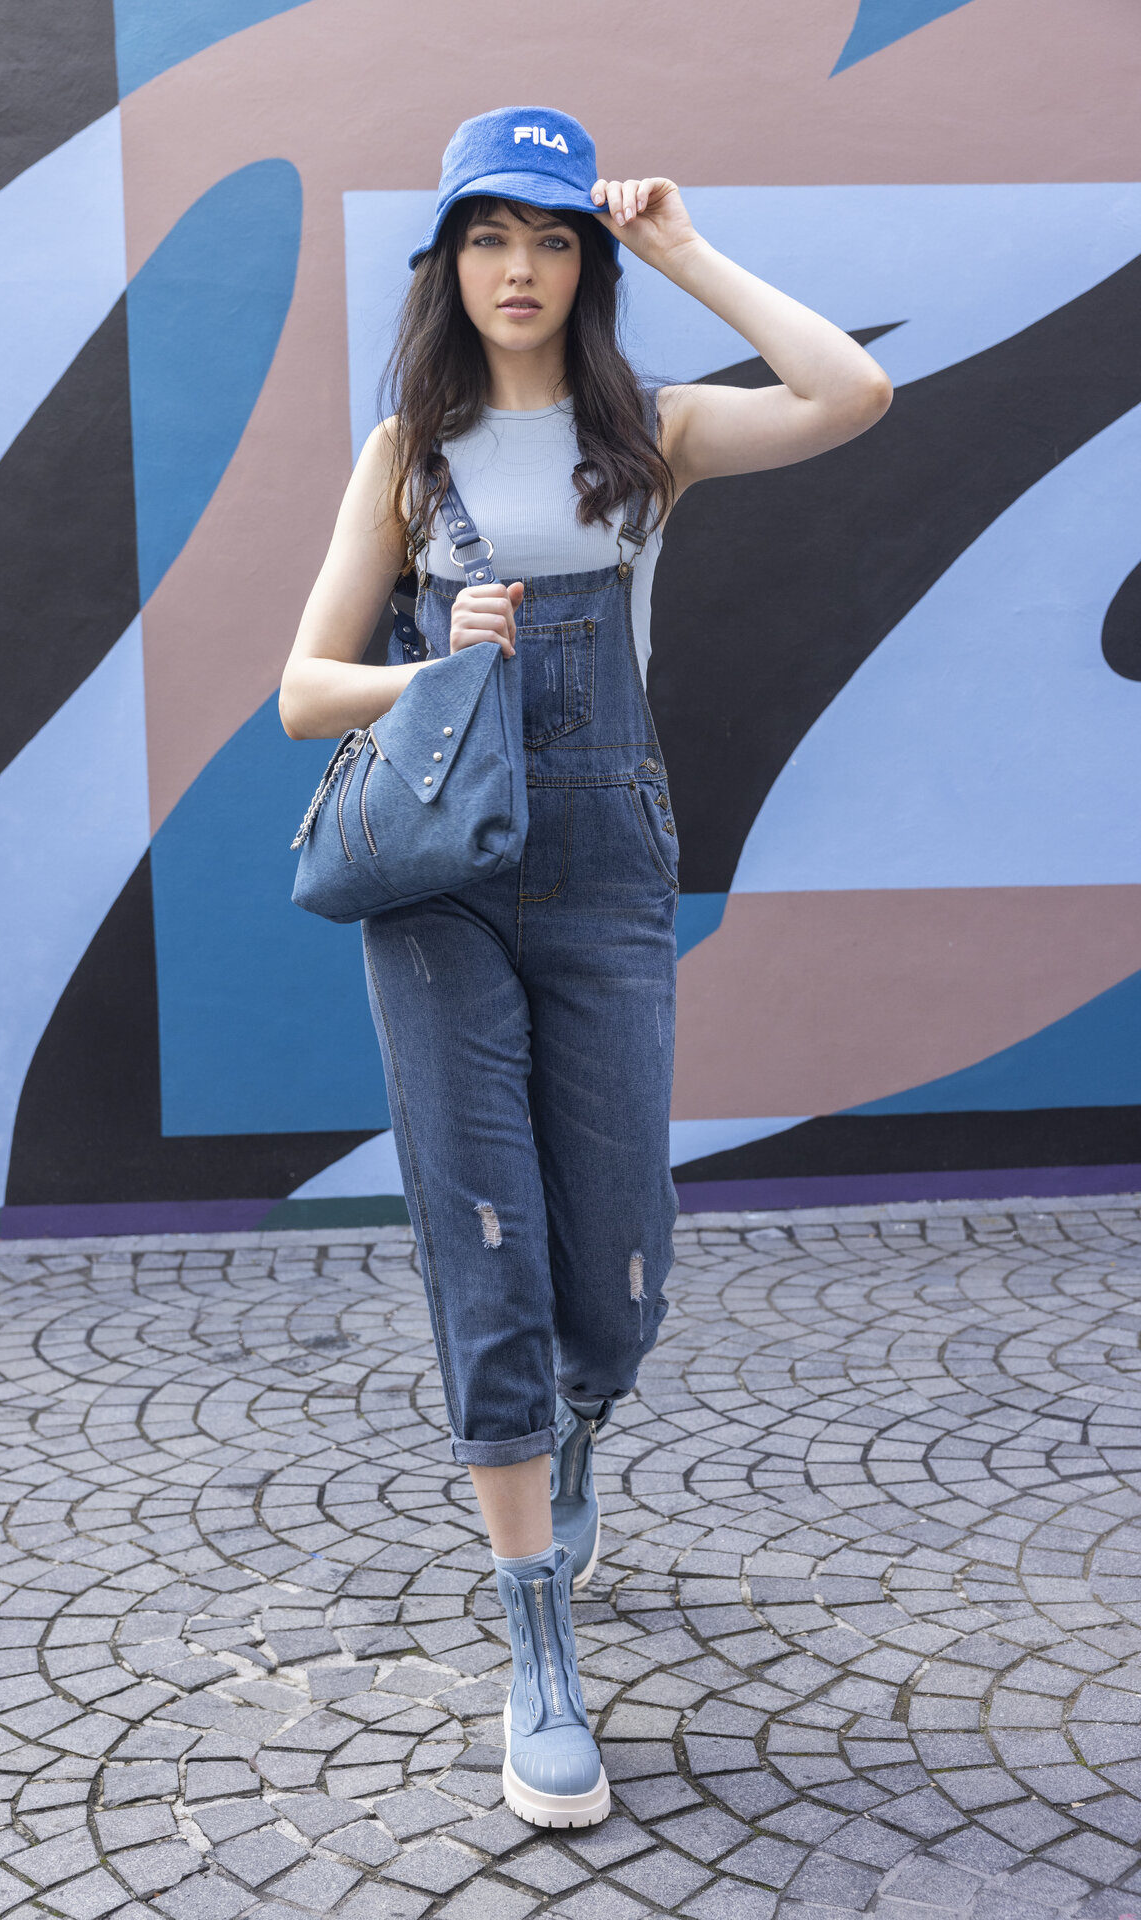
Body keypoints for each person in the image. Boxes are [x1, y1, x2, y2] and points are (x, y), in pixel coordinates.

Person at [279, 105, 891, 1828]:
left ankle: (577, 1426)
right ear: (449, 262)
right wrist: (429, 668)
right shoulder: (408, 454)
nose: (521, 268)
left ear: (586, 266)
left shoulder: (654, 434)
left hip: (610, 865)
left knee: (614, 1270)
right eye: (491, 236)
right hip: (441, 884)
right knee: (483, 1241)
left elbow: (853, 392)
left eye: (552, 239)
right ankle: (536, 1637)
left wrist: (684, 246)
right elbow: (304, 691)